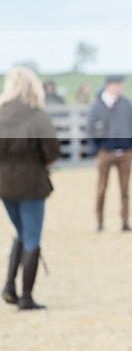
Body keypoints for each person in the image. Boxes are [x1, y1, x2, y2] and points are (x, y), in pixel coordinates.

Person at [0, 67, 60, 310]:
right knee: (32, 237)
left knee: (21, 233)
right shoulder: (36, 115)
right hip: (31, 183)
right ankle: (26, 297)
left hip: (5, 185)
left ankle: (9, 286)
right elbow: (52, 151)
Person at [87, 75, 132, 232]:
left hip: (125, 152)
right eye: (118, 84)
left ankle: (125, 221)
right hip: (105, 152)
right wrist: (96, 149)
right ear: (109, 85)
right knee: (102, 188)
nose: (121, 88)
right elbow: (90, 129)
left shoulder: (126, 104)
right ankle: (99, 221)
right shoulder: (97, 106)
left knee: (125, 189)